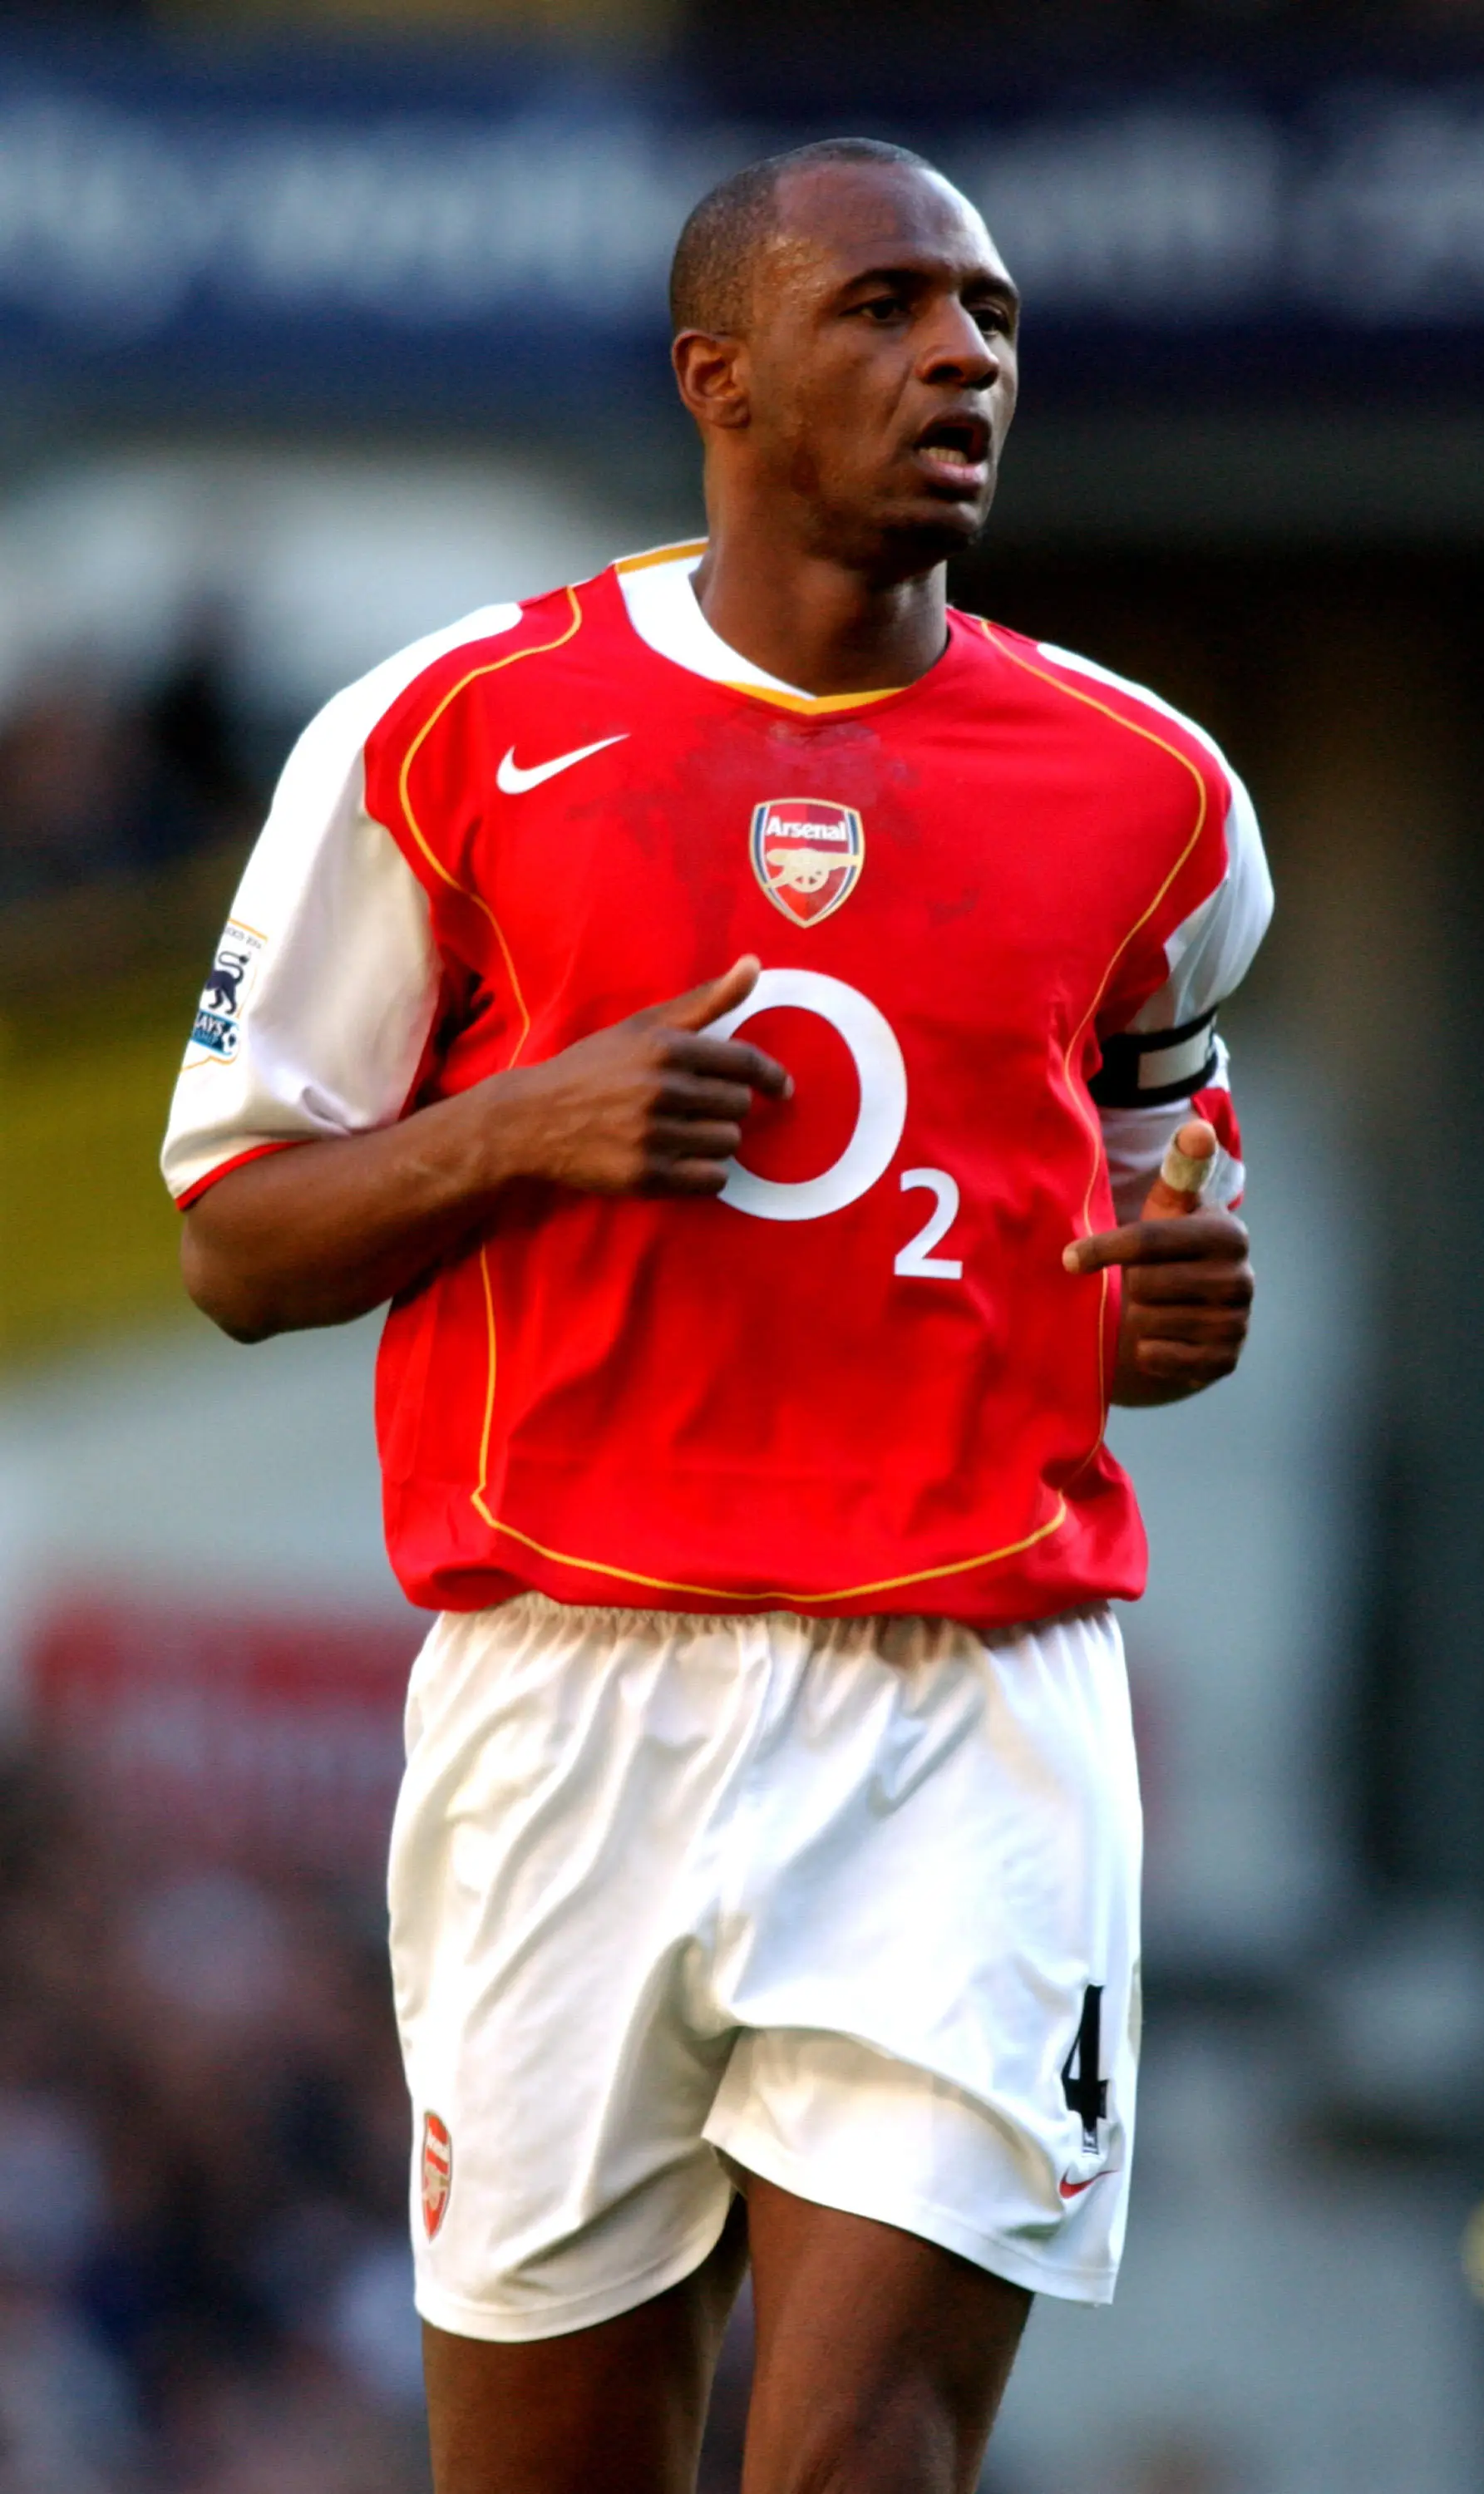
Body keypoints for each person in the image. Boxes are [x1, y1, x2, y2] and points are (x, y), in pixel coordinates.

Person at [161, 138, 1270, 2494]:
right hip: (564, 1698)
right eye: (885, 307)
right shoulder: (442, 735)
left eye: (988, 317)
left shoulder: (1155, 794)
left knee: (866, 2454)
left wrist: (1169, 1312)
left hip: (968, 1706)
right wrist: (516, 1128)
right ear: (720, 377)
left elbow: (1149, 1192)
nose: (961, 358)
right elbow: (240, 1245)